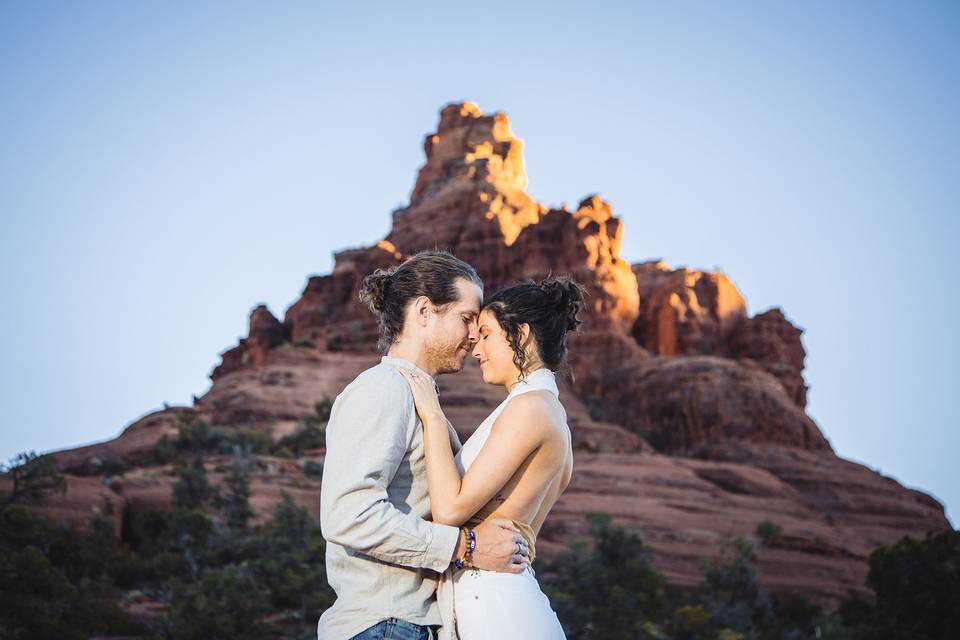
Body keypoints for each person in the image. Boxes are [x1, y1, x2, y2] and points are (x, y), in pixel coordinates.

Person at [318, 250, 530, 640]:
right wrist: (465, 546)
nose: (473, 335)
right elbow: (349, 513)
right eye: (466, 319)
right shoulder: (383, 388)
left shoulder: (417, 397)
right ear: (423, 311)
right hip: (384, 626)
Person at [397, 276, 585, 640]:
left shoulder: (531, 409)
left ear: (522, 335)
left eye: (486, 334)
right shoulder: (544, 410)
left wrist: (432, 416)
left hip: (497, 607)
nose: (476, 347)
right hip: (503, 601)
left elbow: (450, 511)